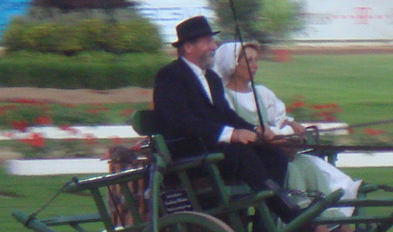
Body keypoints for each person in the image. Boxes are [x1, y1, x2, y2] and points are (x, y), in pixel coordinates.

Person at [151, 16, 293, 207]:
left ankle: (266, 230)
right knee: (243, 155)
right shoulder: (171, 76)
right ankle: (288, 212)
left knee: (274, 155)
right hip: (189, 152)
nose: (214, 46)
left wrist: (254, 129)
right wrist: (231, 134)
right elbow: (180, 121)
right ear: (188, 47)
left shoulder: (212, 78)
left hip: (215, 149)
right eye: (208, 41)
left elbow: (226, 115)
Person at [214, 40, 361, 212]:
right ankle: (307, 220)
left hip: (278, 152)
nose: (255, 66)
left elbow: (279, 119)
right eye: (249, 61)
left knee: (309, 166)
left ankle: (334, 217)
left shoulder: (262, 93)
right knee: (292, 170)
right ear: (232, 64)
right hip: (257, 160)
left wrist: (291, 126)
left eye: (256, 60)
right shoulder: (224, 97)